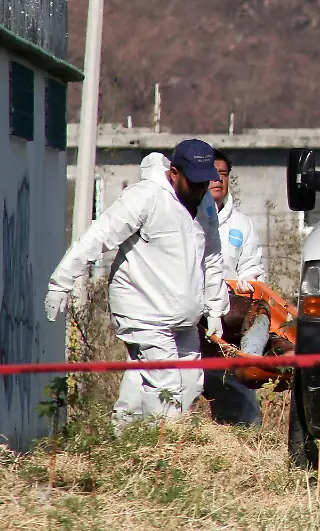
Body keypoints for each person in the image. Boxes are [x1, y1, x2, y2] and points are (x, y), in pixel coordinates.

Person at [44, 140, 227, 425]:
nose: (202, 189)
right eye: (195, 182)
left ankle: (127, 437)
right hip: (144, 310)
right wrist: (61, 282)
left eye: (206, 182)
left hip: (183, 314)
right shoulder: (146, 198)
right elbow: (98, 236)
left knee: (191, 383)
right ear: (174, 173)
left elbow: (213, 257)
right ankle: (161, 456)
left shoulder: (204, 204)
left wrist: (215, 307)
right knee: (165, 391)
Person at [202, 148, 268, 426]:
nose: (218, 180)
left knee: (239, 395)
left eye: (224, 174)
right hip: (192, 316)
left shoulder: (242, 224)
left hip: (229, 319)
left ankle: (243, 436)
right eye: (211, 175)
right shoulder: (187, 219)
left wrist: (248, 281)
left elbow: (254, 266)